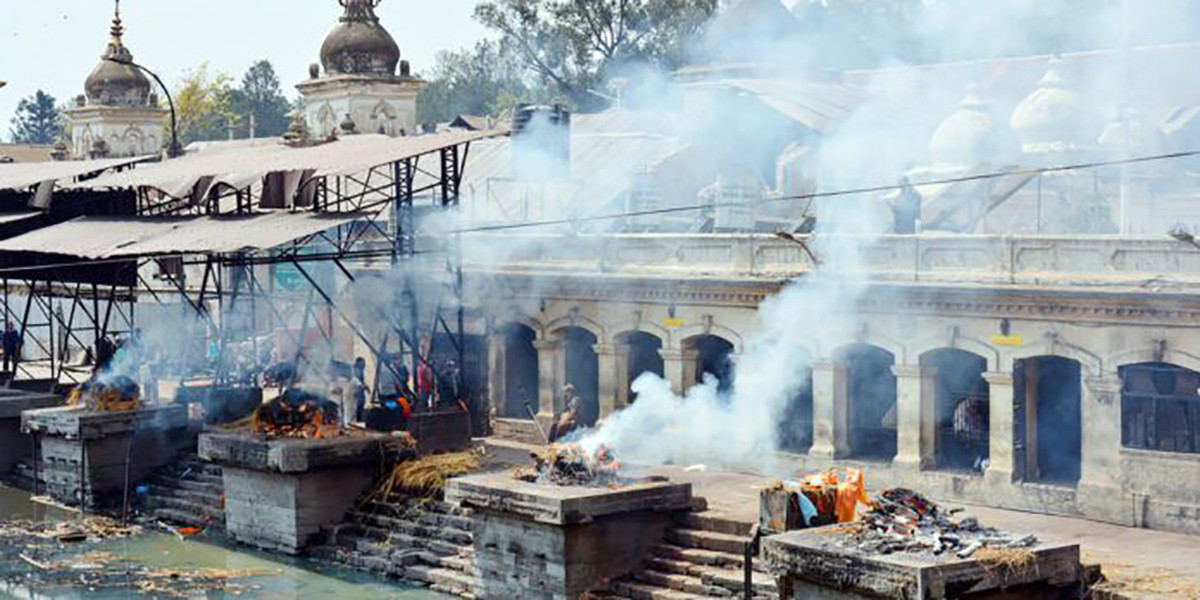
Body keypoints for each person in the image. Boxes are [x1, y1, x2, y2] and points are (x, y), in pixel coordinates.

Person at [353, 357, 368, 424]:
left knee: (361, 403)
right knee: (357, 406)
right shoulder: (355, 370)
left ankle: (358, 419)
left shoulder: (361, 370)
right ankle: (356, 420)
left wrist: (365, 385)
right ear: (358, 363)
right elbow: (356, 381)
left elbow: (361, 381)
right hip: (356, 392)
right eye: (363, 363)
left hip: (360, 391)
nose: (364, 365)